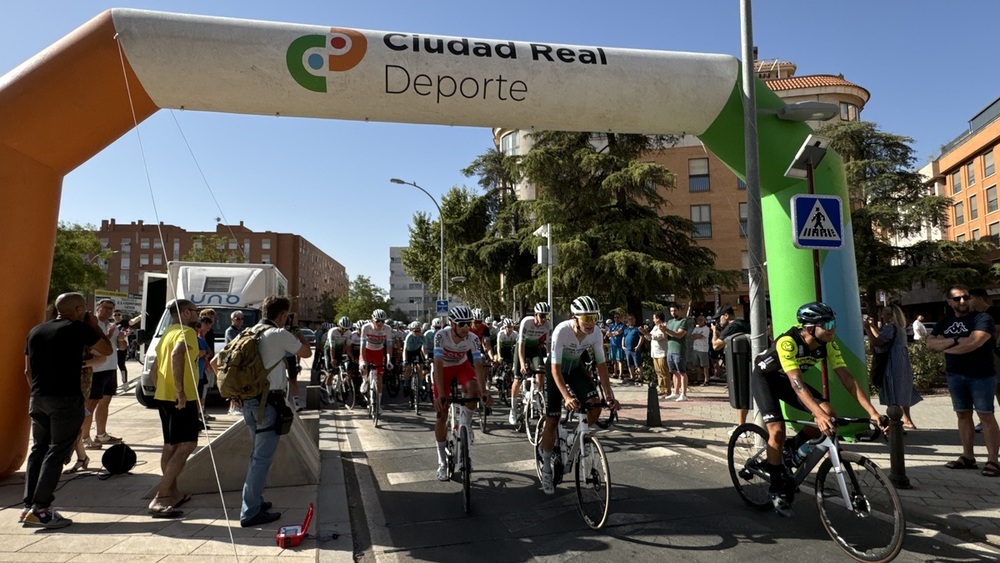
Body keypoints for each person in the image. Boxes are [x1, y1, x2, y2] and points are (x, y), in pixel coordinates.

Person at [751, 301, 885, 516]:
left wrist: (873, 412)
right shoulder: (789, 342)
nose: (832, 328)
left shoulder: (828, 343)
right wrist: (817, 414)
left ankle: (792, 449)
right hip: (766, 380)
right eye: (827, 324)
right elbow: (797, 384)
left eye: (833, 322)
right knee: (776, 431)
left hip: (788, 381)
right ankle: (776, 488)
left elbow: (847, 379)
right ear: (810, 328)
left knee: (830, 413)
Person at [22, 292, 112, 528]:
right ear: (80, 309)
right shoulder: (77, 328)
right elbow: (107, 350)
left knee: (39, 449)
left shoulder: (36, 331)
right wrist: (94, 326)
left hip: (39, 397)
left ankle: (28, 506)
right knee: (57, 451)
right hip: (66, 399)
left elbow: (27, 370)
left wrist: (37, 392)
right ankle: (41, 508)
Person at [234, 295, 311, 527]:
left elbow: (218, 362)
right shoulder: (278, 334)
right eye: (286, 316)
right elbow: (306, 352)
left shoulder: (248, 332)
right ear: (282, 316)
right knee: (261, 459)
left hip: (248, 402)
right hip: (267, 404)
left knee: (256, 456)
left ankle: (255, 499)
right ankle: (250, 512)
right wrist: (295, 331)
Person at [538, 297, 620, 494]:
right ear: (575, 317)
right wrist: (566, 397)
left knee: (595, 406)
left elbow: (601, 366)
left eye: (594, 317)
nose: (590, 323)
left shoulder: (596, 333)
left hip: (575, 368)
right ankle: (547, 465)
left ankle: (575, 437)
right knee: (552, 418)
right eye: (586, 318)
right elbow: (556, 370)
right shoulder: (562, 331)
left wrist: (609, 396)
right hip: (555, 370)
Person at [925, 285, 999, 478]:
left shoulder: (982, 319)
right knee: (963, 415)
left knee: (986, 416)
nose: (963, 301)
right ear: (949, 302)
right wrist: (957, 340)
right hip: (955, 374)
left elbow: (974, 343)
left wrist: (946, 344)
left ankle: (993, 461)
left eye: (965, 297)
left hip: (981, 375)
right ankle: (968, 456)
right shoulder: (945, 322)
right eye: (957, 299)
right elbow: (929, 344)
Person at [147, 299, 202, 519]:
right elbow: (177, 354)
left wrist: (163, 388)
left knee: (170, 445)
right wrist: (179, 390)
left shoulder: (166, 333)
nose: (197, 314)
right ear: (187, 313)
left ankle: (173, 492)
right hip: (182, 397)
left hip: (163, 396)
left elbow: (153, 367)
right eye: (195, 311)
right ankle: (161, 496)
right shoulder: (186, 333)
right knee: (188, 443)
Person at [432, 306, 491, 481]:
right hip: (443, 370)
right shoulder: (441, 336)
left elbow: (478, 365)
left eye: (468, 323)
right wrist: (440, 394)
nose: (466, 327)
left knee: (473, 389)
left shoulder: (472, 338)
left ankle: (465, 426)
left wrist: (484, 391)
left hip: (461, 366)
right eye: (462, 324)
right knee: (441, 415)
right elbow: (437, 364)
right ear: (452, 324)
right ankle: (442, 462)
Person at [864, 305, 921, 429]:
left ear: (890, 315)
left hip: (891, 362)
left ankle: (895, 424)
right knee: (902, 390)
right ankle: (907, 420)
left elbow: (877, 342)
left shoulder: (890, 327)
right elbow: (882, 337)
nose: (882, 316)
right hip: (901, 362)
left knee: (892, 390)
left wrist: (867, 329)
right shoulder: (899, 327)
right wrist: (873, 327)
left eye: (884, 313)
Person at [81, 298, 125, 450]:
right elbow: (102, 345)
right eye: (105, 308)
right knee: (90, 405)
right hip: (96, 370)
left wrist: (121, 339)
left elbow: (121, 347)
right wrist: (108, 333)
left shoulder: (113, 325)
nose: (107, 311)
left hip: (110, 368)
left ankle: (101, 434)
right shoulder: (92, 324)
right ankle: (85, 437)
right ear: (98, 308)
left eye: (110, 309)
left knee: (105, 402)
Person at [509, 302, 553, 425]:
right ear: (535, 315)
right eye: (542, 316)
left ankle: (537, 394)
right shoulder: (526, 322)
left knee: (541, 370)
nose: (544, 319)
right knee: (517, 379)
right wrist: (522, 364)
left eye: (546, 316)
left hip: (534, 348)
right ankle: (513, 410)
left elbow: (548, 346)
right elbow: (521, 345)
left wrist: (549, 360)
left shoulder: (548, 325)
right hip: (522, 347)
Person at [710, 305, 750, 432]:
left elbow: (716, 346)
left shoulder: (732, 326)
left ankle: (741, 427)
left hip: (740, 363)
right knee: (746, 393)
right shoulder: (742, 323)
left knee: (740, 393)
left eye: (719, 318)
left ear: (726, 315)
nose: (718, 321)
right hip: (750, 361)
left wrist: (714, 333)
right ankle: (742, 425)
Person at [968, 288, 1000, 435]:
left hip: (994, 354)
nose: (968, 301)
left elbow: (995, 330)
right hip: (977, 356)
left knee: (998, 388)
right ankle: (984, 420)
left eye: (971, 298)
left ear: (980, 298)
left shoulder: (995, 312)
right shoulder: (973, 315)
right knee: (982, 390)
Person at [359, 309, 394, 401]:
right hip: (367, 350)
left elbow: (389, 347)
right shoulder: (366, 327)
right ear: (372, 320)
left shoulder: (388, 329)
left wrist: (389, 360)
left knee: (379, 377)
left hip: (379, 351)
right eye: (377, 321)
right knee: (363, 367)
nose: (380, 323)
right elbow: (362, 346)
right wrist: (362, 360)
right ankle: (365, 381)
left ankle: (378, 402)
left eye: (382, 321)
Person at [663, 304, 690, 401]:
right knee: (674, 372)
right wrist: (663, 330)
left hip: (679, 350)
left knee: (682, 372)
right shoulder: (669, 322)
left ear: (679, 311)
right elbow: (666, 336)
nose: (673, 313)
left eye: (675, 310)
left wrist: (667, 330)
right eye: (671, 311)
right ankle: (676, 392)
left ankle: (684, 394)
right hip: (670, 350)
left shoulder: (683, 321)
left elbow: (679, 335)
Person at [224, 311, 245, 415]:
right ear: (232, 320)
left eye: (241, 319)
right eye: (237, 319)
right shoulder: (230, 331)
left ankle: (233, 407)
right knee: (234, 383)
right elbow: (236, 344)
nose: (240, 321)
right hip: (232, 361)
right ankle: (234, 406)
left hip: (240, 360)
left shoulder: (241, 330)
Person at [648, 312, 671, 396]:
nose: (653, 320)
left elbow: (659, 337)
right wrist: (646, 333)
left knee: (664, 372)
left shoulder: (664, 326)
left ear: (658, 318)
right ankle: (661, 389)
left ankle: (667, 390)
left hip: (662, 353)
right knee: (658, 372)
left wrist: (649, 335)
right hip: (655, 353)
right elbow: (649, 337)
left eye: (654, 318)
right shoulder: (655, 327)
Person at [622, 314, 644, 384]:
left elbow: (641, 337)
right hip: (627, 349)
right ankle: (632, 377)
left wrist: (638, 346)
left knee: (638, 364)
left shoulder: (637, 328)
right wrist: (622, 345)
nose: (630, 321)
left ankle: (640, 377)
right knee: (630, 364)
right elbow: (623, 337)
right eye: (629, 319)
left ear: (634, 320)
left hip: (635, 349)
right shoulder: (626, 329)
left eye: (632, 319)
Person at [690, 315, 712, 386]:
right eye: (698, 320)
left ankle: (706, 380)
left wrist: (697, 335)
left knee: (705, 365)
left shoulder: (706, 329)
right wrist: (698, 335)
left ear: (704, 320)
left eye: (701, 320)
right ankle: (699, 379)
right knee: (697, 365)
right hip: (696, 348)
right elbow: (692, 336)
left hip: (703, 349)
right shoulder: (696, 328)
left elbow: (700, 336)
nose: (700, 321)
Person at [113, 309, 131, 387]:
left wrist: (141, 316)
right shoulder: (111, 324)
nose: (117, 316)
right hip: (113, 347)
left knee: (121, 364)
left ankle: (125, 382)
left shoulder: (125, 323)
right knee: (113, 366)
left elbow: (132, 323)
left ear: (121, 315)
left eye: (119, 314)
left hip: (122, 346)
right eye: (115, 315)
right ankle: (114, 385)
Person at [606, 314, 626, 379]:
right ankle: (615, 373)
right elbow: (608, 334)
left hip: (619, 345)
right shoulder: (612, 325)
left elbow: (619, 332)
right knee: (614, 360)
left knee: (619, 360)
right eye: (615, 317)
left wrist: (612, 333)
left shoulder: (622, 325)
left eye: (617, 317)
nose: (616, 318)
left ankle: (621, 374)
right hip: (612, 345)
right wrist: (612, 333)